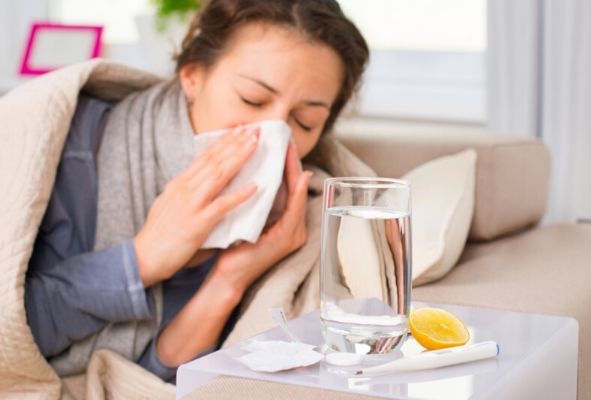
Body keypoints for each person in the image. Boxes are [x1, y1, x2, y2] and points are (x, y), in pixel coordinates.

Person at [24, 0, 369, 382]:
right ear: (192, 76)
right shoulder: (65, 147)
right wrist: (142, 260)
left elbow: (158, 382)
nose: (273, 131)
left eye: (305, 122)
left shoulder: (290, 218)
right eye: (252, 99)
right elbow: (13, 334)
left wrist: (228, 281)